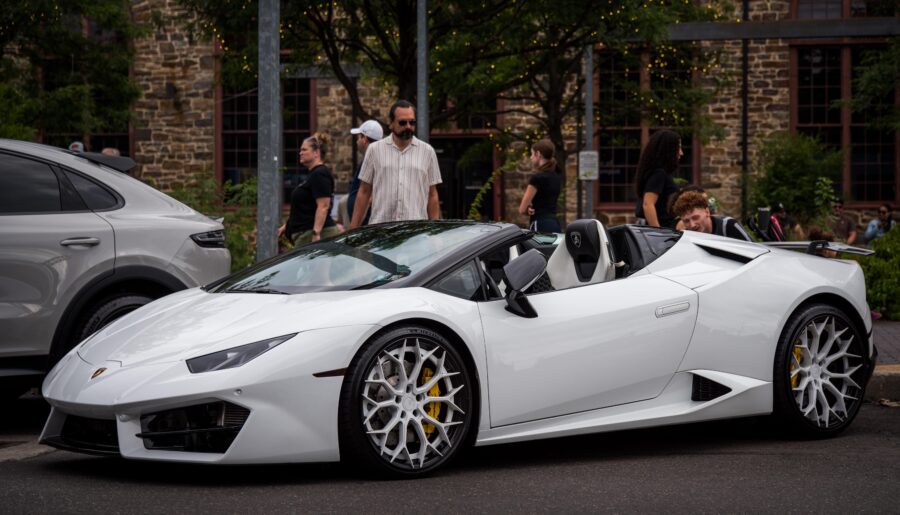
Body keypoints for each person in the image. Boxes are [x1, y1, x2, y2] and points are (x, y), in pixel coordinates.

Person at [349, 100, 441, 229]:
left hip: (415, 233)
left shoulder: (428, 151)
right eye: (403, 122)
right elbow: (364, 191)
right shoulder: (374, 150)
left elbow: (432, 194)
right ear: (391, 123)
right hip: (380, 231)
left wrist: (434, 229)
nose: (408, 126)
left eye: (412, 122)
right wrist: (353, 228)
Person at [278, 133, 340, 245]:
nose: (300, 153)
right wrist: (287, 226)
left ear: (316, 153)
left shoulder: (320, 174)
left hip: (315, 235)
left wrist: (316, 234)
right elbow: (307, 208)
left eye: (304, 150)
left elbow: (323, 206)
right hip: (304, 235)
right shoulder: (312, 175)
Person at [634, 130, 682, 228]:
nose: (681, 153)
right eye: (679, 148)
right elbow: (648, 204)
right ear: (669, 149)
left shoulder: (659, 172)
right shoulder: (658, 173)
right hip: (663, 228)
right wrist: (658, 233)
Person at [671, 190, 753, 241]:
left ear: (707, 212)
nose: (692, 225)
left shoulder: (728, 225)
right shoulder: (685, 236)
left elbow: (757, 253)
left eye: (695, 217)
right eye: (686, 221)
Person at [518, 139, 561, 232]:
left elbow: (522, 209)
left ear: (538, 154)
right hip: (555, 224)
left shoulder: (537, 178)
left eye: (532, 154)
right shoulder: (557, 177)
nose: (530, 157)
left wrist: (527, 210)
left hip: (540, 223)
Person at [347, 119, 383, 226]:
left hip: (366, 225)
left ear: (364, 139)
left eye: (359, 137)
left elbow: (368, 196)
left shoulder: (372, 161)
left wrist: (355, 225)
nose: (357, 141)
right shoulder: (373, 160)